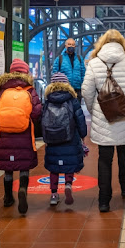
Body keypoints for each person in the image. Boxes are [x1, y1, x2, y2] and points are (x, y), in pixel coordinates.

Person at [81, 29, 125, 213]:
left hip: (103, 119)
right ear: (122, 44)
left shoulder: (94, 63)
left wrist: (95, 110)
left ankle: (104, 201)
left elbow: (86, 91)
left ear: (102, 43)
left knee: (104, 159)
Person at [0, 58, 42, 215]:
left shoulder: (2, 90)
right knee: (23, 165)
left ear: (10, 72)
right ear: (26, 72)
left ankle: (8, 197)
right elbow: (37, 112)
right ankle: (23, 189)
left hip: (5, 134)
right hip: (24, 134)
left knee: (8, 168)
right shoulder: (30, 90)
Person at [43, 72, 87, 206]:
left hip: (52, 139)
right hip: (70, 138)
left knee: (54, 167)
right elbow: (80, 119)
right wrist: (83, 134)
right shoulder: (72, 100)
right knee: (69, 164)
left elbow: (41, 119)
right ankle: (68, 185)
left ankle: (54, 194)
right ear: (67, 85)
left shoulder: (47, 100)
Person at [52, 38, 86, 103]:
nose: (71, 46)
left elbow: (83, 74)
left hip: (77, 90)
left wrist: (82, 86)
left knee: (77, 111)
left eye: (73, 45)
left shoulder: (79, 58)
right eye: (69, 44)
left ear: (75, 46)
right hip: (64, 90)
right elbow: (55, 74)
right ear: (65, 46)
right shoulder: (59, 59)